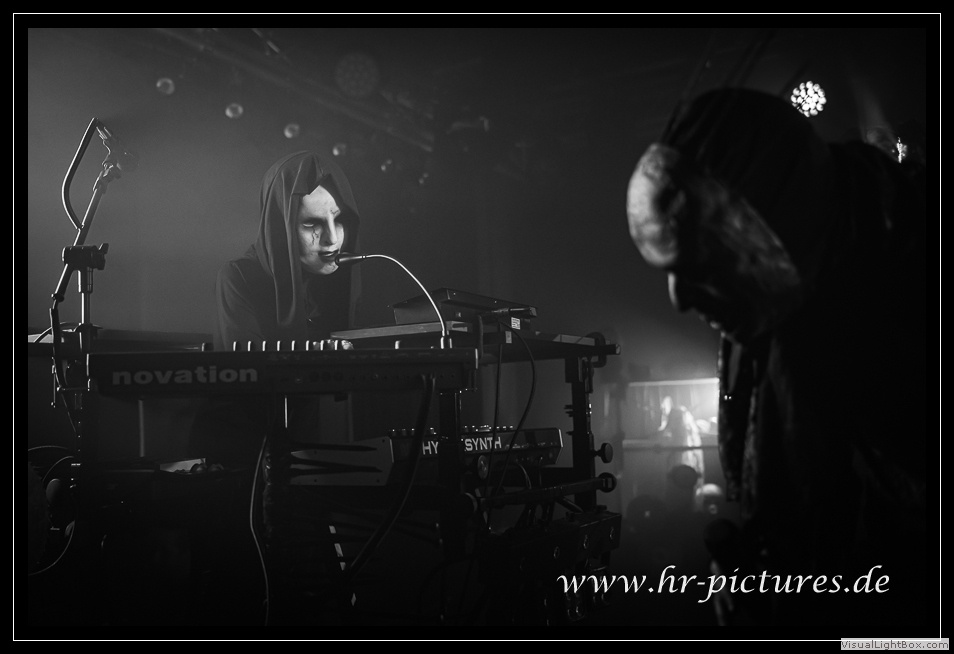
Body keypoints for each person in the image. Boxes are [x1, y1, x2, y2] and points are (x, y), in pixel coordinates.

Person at [625, 88, 928, 630]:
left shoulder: (903, 319)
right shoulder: (801, 289)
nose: (680, 298)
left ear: (778, 224)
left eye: (708, 259)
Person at [189, 150, 364, 626]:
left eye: (339, 221)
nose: (333, 239)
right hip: (240, 471)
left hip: (300, 464)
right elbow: (250, 373)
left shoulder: (330, 285)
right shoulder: (240, 277)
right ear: (279, 225)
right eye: (312, 225)